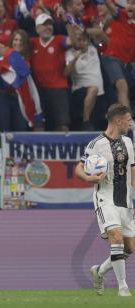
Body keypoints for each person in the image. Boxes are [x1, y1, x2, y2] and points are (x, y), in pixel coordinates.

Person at [75, 103, 135, 297]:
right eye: (128, 119)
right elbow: (79, 168)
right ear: (118, 120)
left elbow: (132, 172)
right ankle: (123, 287)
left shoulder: (128, 142)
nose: (130, 123)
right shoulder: (96, 144)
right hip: (105, 197)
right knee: (116, 238)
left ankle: (99, 271)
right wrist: (89, 178)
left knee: (129, 248)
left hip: (125, 200)